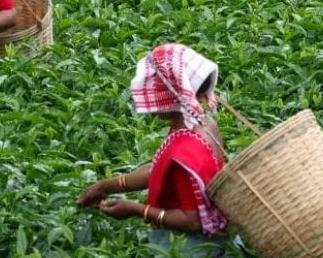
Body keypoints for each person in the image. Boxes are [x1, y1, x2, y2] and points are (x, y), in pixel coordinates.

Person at [77, 44, 235, 256]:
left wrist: (136, 209)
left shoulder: (186, 149)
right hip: (219, 234)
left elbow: (192, 221)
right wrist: (107, 186)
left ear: (172, 94)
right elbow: (160, 169)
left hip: (193, 246)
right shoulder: (203, 123)